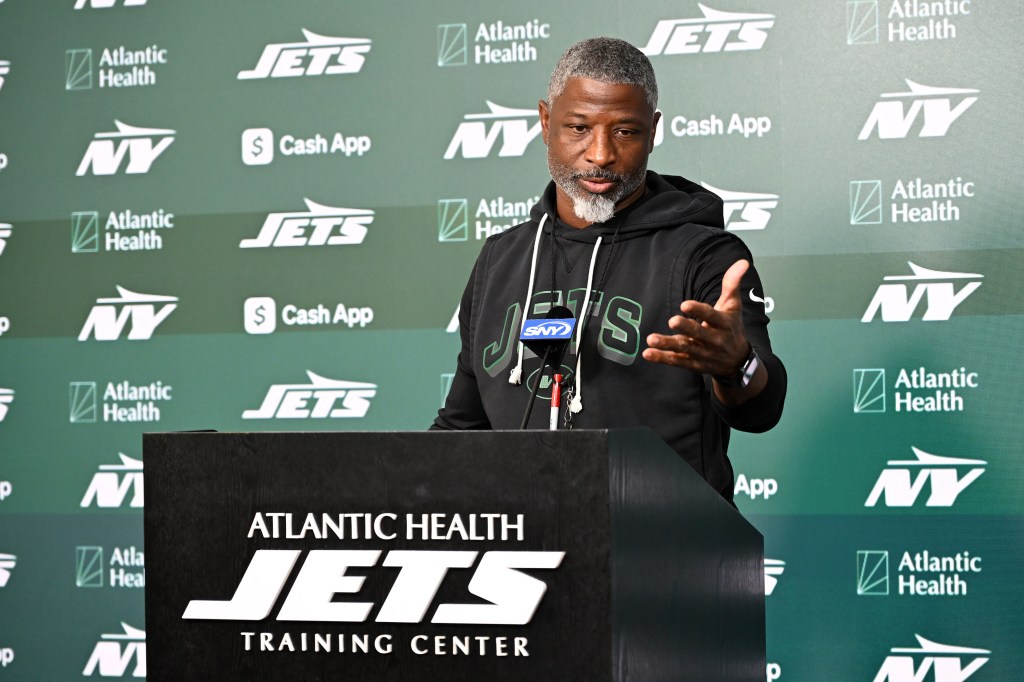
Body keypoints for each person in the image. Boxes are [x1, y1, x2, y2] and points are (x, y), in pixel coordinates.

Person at [432, 37, 786, 503]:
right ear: (545, 121)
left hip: (668, 549)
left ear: (653, 130)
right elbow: (463, 426)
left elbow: (761, 407)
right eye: (578, 128)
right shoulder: (501, 259)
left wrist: (736, 365)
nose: (600, 154)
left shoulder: (704, 255)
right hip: (530, 547)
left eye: (625, 132)